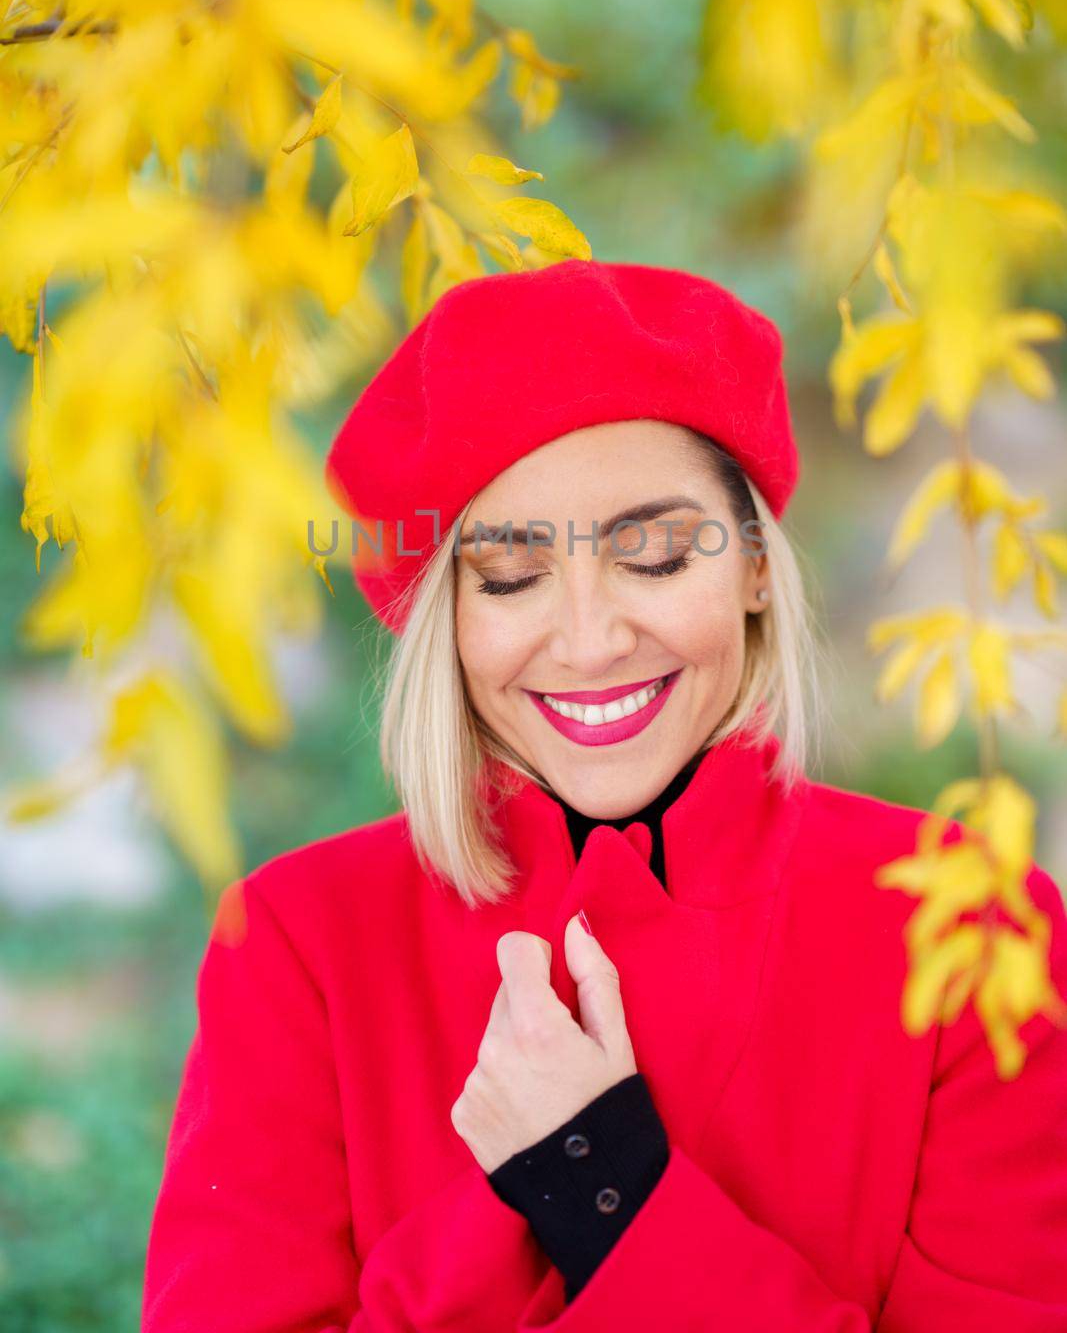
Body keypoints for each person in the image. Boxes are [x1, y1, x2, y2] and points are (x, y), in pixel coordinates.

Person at [141, 258, 1067, 1331]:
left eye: (657, 556)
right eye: (508, 577)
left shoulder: (967, 919)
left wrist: (598, 1186)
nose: (589, 641)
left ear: (755, 568)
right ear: (443, 611)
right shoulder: (300, 942)